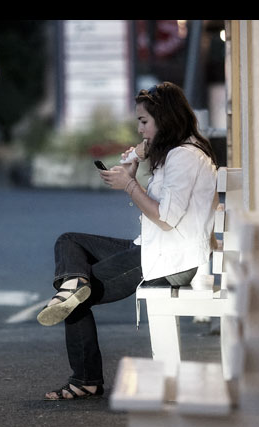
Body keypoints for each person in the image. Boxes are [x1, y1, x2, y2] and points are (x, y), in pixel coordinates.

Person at [38, 82, 219, 400]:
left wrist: (129, 185)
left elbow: (165, 218)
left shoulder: (184, 157)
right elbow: (148, 155)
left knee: (77, 297)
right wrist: (138, 155)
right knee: (70, 242)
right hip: (155, 250)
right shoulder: (177, 150)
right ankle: (73, 285)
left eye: (144, 122)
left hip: (172, 261)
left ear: (165, 120)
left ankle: (86, 378)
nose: (139, 128)